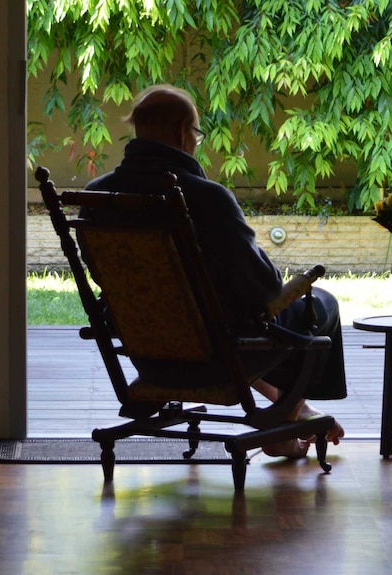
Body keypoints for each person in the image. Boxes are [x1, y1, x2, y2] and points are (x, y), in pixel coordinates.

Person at [84, 85, 346, 458]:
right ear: (181, 133)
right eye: (196, 133)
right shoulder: (205, 197)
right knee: (321, 305)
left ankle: (291, 409)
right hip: (213, 357)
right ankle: (282, 420)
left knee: (222, 318)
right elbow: (266, 292)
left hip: (146, 353)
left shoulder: (97, 196)